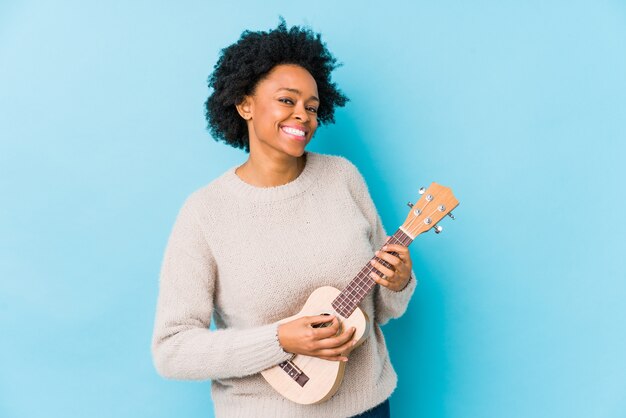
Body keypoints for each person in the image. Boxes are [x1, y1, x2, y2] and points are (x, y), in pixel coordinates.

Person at [151, 19, 417, 418]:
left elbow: (380, 310)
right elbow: (172, 350)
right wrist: (279, 340)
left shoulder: (342, 177)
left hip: (368, 407)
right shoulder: (205, 213)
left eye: (311, 107)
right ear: (244, 105)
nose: (303, 116)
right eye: (287, 100)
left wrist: (398, 283)